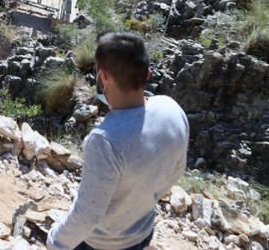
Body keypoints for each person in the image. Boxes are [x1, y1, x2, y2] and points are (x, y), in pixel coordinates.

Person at [47, 33, 189, 250]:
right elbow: (176, 171)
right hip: (142, 233)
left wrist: (56, 241)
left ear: (104, 77)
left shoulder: (105, 140)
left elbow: (87, 216)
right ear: (147, 74)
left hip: (102, 244)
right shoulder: (171, 109)